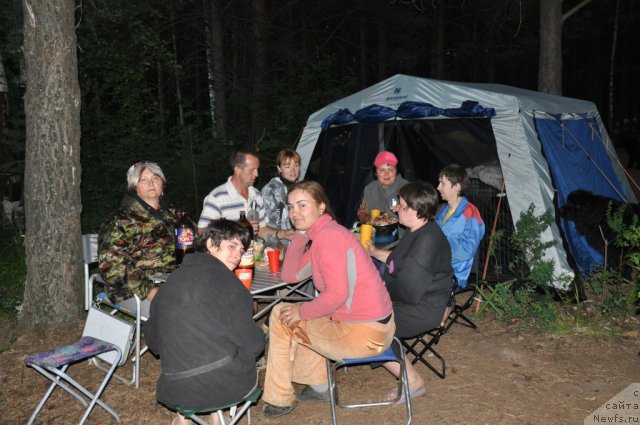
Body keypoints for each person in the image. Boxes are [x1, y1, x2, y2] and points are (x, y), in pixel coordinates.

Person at [262, 181, 395, 419]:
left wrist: (301, 312)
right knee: (310, 313)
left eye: (302, 205)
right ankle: (320, 387)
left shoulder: (328, 238)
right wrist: (300, 238)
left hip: (364, 335)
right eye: (291, 207)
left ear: (321, 206)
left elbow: (336, 295)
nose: (295, 213)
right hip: (376, 329)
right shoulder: (326, 233)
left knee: (281, 314)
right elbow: (291, 275)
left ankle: (280, 398)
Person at [145, 220, 265, 425]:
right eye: (231, 246)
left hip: (174, 388)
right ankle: (216, 417)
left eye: (241, 249)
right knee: (232, 351)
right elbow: (254, 345)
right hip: (221, 387)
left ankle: (185, 419)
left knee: (200, 346)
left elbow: (154, 343)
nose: (237, 255)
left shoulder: (171, 281)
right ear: (210, 244)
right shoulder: (232, 285)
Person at [367, 181, 454, 401]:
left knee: (368, 324)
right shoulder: (418, 230)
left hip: (421, 308)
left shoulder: (428, 240)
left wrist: (376, 293)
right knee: (364, 312)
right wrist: (374, 251)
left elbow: (407, 289)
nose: (395, 208)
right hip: (415, 300)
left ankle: (413, 381)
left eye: (401, 206)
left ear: (415, 211)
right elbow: (399, 261)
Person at [98, 161, 179, 305]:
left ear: (163, 185)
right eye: (144, 180)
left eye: (155, 178)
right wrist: (149, 290)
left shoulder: (175, 215)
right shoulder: (121, 220)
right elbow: (113, 269)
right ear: (134, 187)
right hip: (134, 292)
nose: (151, 183)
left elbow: (197, 243)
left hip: (175, 282)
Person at [197, 149, 293, 243]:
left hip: (252, 256)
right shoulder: (217, 198)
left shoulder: (257, 195)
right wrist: (238, 228)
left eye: (257, 169)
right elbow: (202, 232)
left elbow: (262, 229)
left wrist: (281, 234)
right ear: (238, 169)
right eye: (252, 170)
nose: (257, 174)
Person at [436, 164, 485, 288]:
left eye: (442, 183)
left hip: (453, 273)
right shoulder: (444, 210)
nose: (438, 187)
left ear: (457, 187)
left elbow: (467, 250)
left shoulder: (471, 213)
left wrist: (439, 247)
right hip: (437, 266)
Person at [260, 149, 301, 246]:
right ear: (279, 168)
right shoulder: (270, 190)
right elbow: (266, 226)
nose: (293, 170)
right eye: (287, 166)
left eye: (296, 165)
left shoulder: (302, 188)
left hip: (297, 245)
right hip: (276, 247)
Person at [357, 150, 409, 223]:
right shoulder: (370, 189)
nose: (386, 174)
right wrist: (364, 217)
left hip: (401, 233)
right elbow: (363, 215)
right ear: (375, 172)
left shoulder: (407, 188)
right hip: (375, 232)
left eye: (390, 170)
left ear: (396, 171)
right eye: (382, 170)